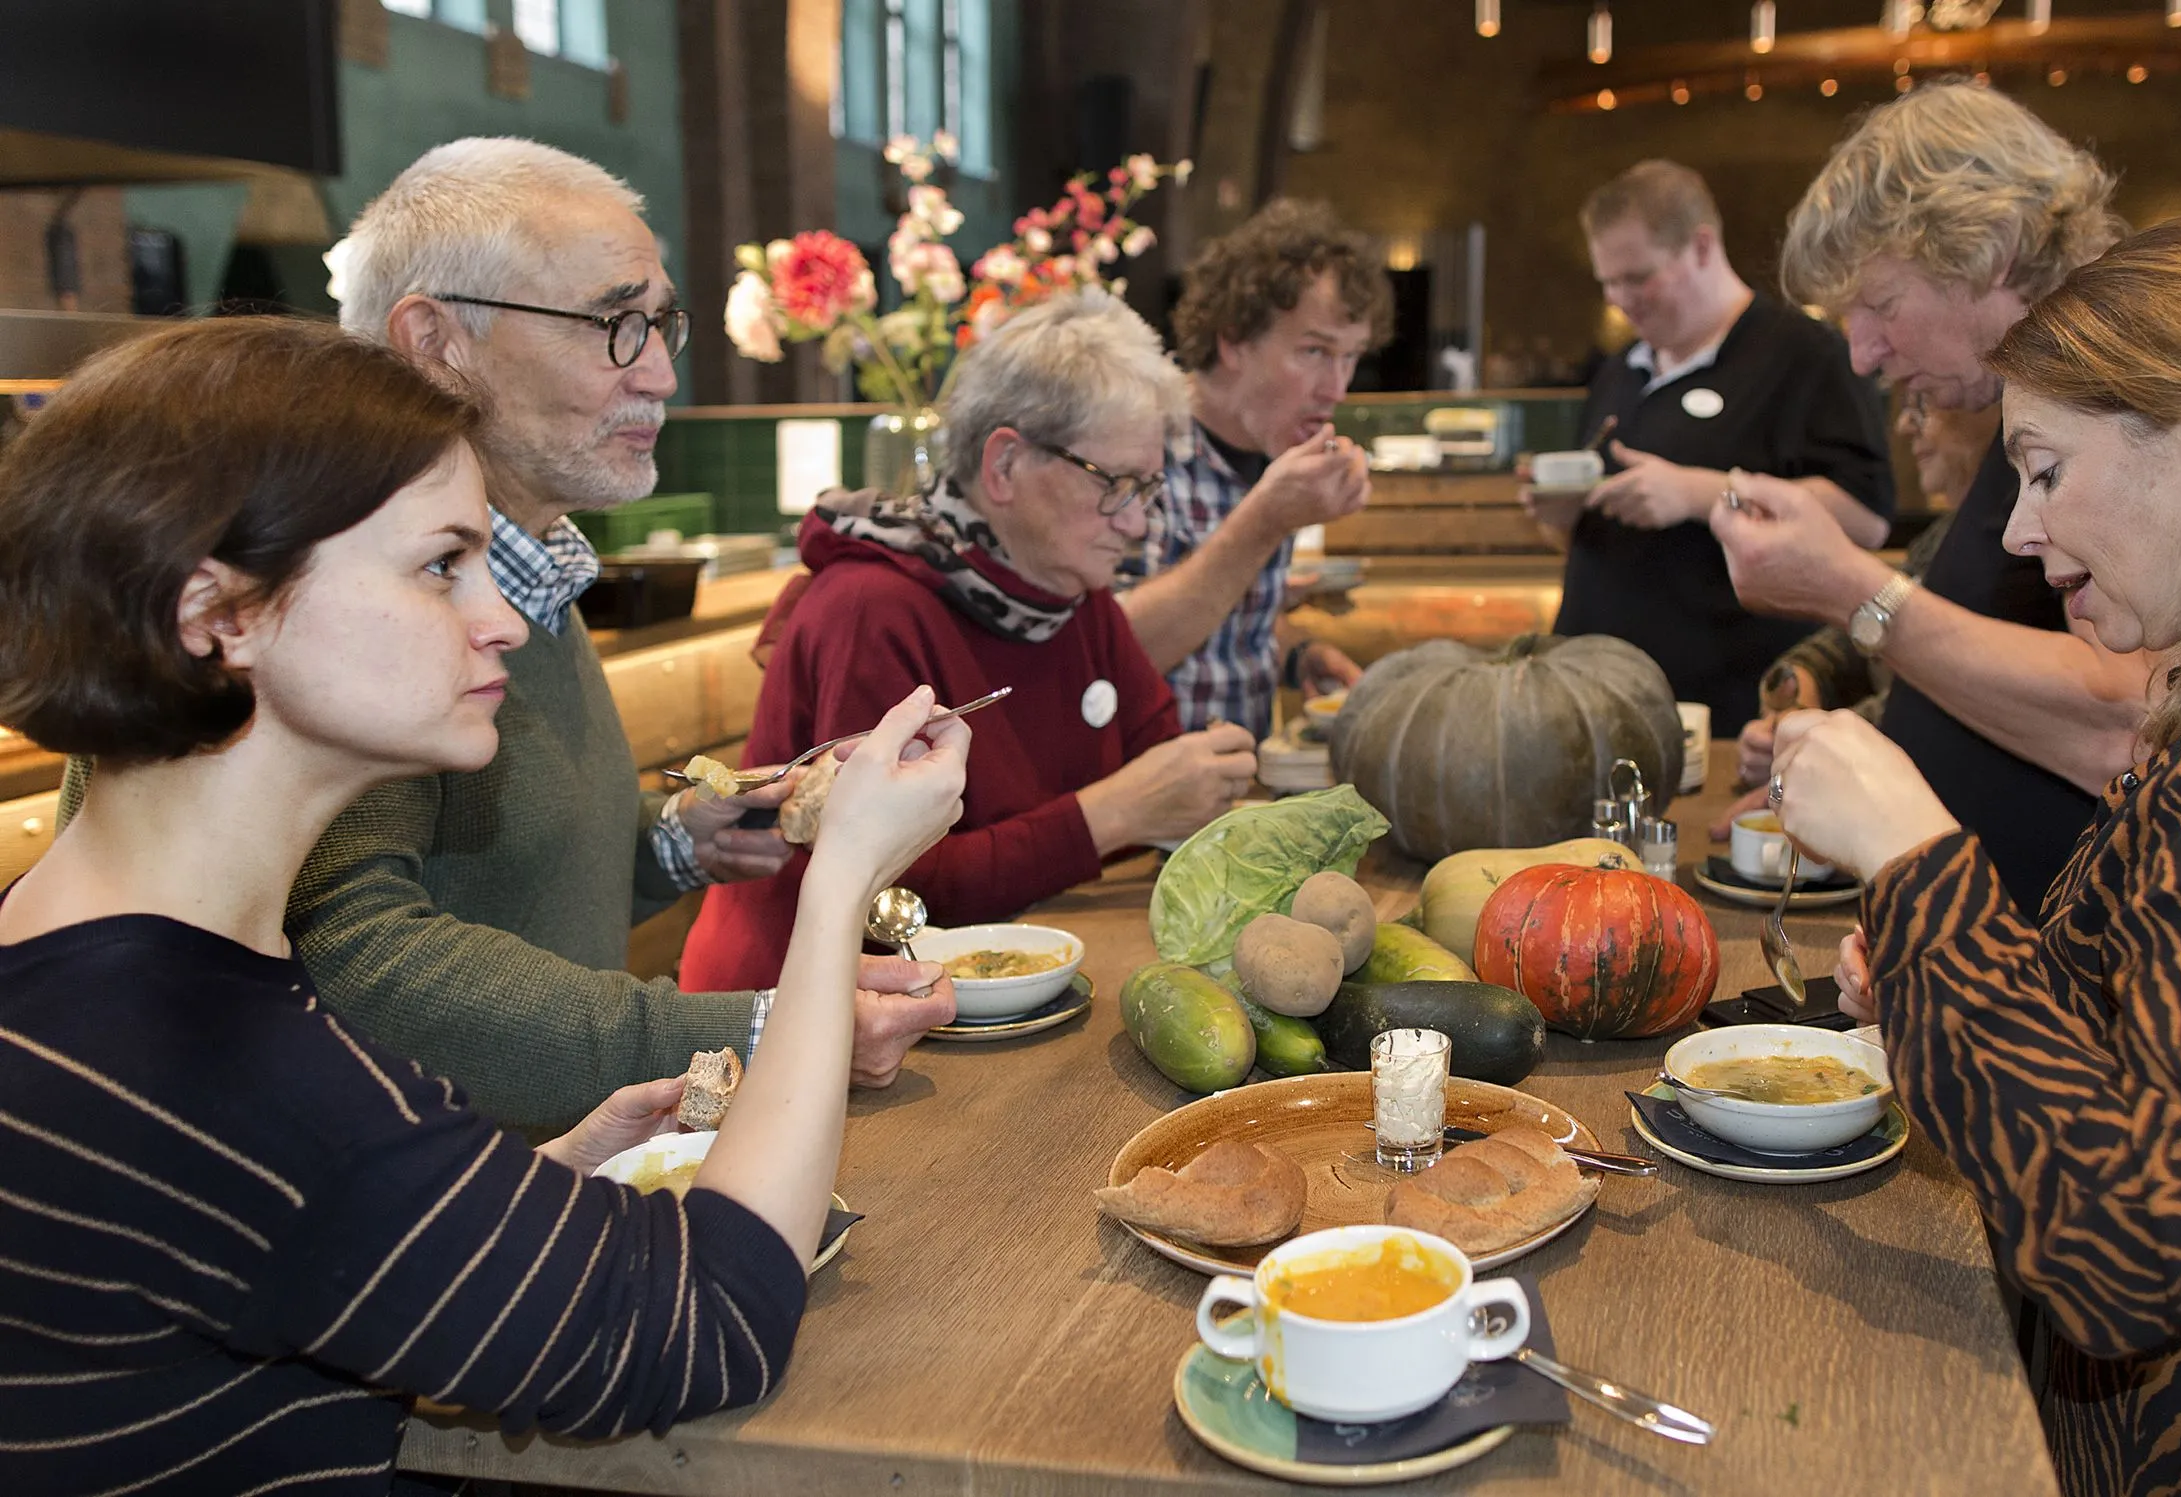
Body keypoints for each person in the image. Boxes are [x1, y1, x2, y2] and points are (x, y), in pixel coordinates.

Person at [0, 317, 968, 1489]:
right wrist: (841, 879)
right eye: (439, 566)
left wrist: (528, 1185)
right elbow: (709, 1326)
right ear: (219, 616)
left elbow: (281, 1245)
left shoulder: (70, 956)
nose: (501, 618)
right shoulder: (228, 1072)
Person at [53, 138, 957, 1132]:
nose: (660, 373)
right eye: (614, 324)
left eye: (662, 323)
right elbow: (358, 961)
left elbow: (504, 872)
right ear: (433, 341)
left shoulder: (537, 559)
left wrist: (673, 842)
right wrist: (763, 1028)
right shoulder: (329, 618)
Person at [1775, 216, 2181, 1497]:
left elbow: (2129, 1251)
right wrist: (1939, 976)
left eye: (2047, 471)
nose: (2018, 529)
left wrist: (1911, 857)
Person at [679, 290, 1257, 987]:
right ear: (1004, 465)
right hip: (788, 1010)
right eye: (1115, 484)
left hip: (1000, 983)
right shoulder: (871, 607)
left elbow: (1158, 761)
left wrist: (1192, 782)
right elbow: (891, 891)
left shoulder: (1071, 591)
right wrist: (1111, 815)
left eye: (1148, 488)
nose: (1137, 523)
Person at [1712, 82, 2150, 913]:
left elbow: (2125, 722)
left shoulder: (2110, 395)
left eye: (1881, 305)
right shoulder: (2031, 397)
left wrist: (1851, 589)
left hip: (2041, 962)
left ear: (1989, 250)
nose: (1862, 355)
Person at [1537, 159, 1895, 731]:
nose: (1620, 299)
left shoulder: (1804, 354)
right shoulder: (1620, 368)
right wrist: (1562, 517)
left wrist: (1698, 494)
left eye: (1638, 278)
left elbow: (1866, 517)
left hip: (1725, 700)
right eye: (1608, 282)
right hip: (1592, 694)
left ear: (1701, 247)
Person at [1115, 199, 1394, 737]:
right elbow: (1114, 653)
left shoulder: (1268, 449)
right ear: (1234, 341)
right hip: (1147, 783)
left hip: (1244, 779)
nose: (1337, 389)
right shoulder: (1138, 447)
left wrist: (1296, 653)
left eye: (1351, 357)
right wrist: (1265, 520)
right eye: (1314, 352)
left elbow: (1222, 623)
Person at [1715, 398, 1998, 824]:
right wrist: (1800, 688)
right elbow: (1869, 627)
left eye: (1925, 403)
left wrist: (1815, 741)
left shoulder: (2012, 554)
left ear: (1993, 411)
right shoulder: (1945, 534)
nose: (1904, 425)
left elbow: (1948, 700)